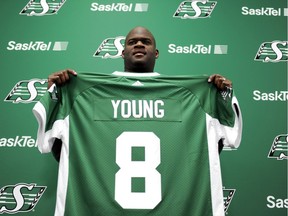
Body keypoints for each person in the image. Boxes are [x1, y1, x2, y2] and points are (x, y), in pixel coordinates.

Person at [33, 26, 242, 216]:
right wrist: (55, 93)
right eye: (132, 42)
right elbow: (62, 152)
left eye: (146, 41)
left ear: (156, 53)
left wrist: (221, 95)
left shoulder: (195, 95)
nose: (139, 44)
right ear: (123, 52)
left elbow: (208, 149)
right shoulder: (80, 92)